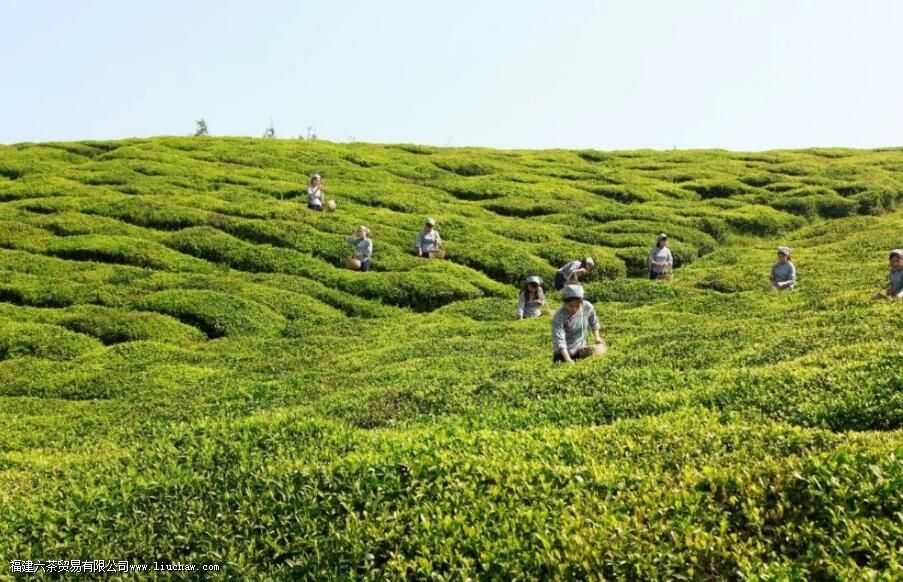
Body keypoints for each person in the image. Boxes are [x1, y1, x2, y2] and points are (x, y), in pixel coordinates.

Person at [552, 284, 606, 364]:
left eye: (577, 306)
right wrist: (568, 359)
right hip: (563, 354)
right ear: (565, 303)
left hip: (581, 350)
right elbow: (559, 340)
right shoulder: (559, 315)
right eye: (570, 306)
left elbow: (593, 322)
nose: (574, 309)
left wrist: (597, 338)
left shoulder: (587, 307)